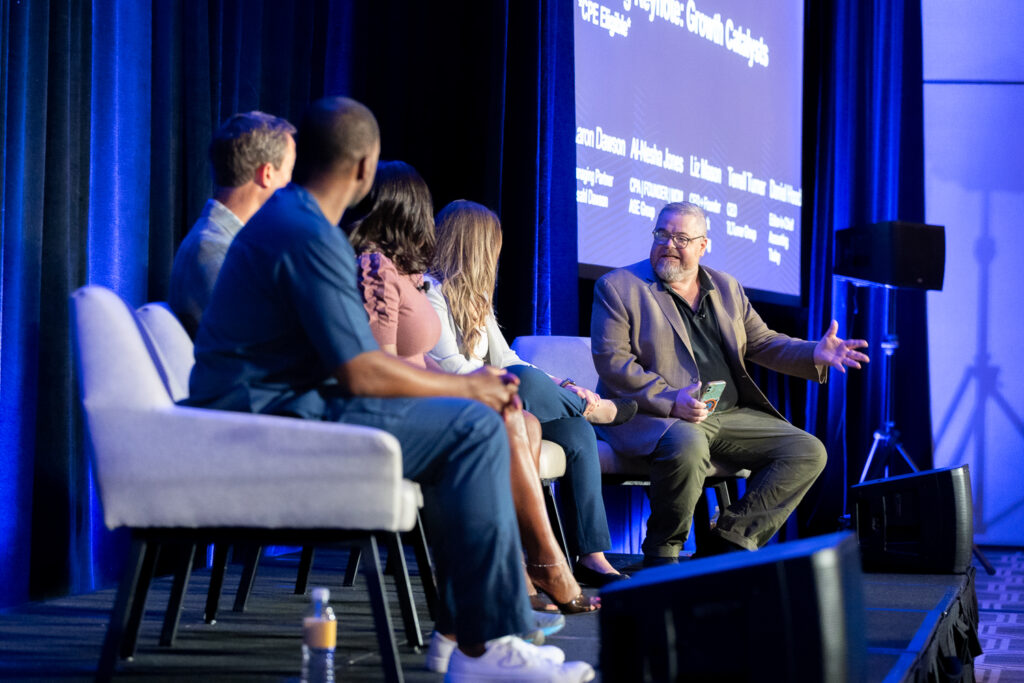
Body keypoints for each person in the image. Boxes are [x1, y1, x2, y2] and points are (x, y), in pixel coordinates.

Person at [185, 97, 594, 683]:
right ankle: (486, 646)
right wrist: (472, 387)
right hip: (270, 421)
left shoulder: (296, 224)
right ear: (364, 168)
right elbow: (361, 372)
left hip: (284, 407)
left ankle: (469, 638)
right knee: (477, 427)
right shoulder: (305, 234)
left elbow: (350, 364)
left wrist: (465, 388)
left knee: (475, 423)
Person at [590, 201, 869, 566]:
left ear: (703, 245)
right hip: (655, 414)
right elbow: (614, 363)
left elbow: (762, 342)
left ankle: (726, 543)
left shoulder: (727, 287)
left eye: (681, 238)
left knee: (807, 451)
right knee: (686, 441)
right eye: (662, 234)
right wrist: (672, 399)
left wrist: (812, 353)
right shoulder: (618, 287)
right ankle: (662, 553)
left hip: (726, 412)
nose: (669, 244)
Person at [425, 200, 634, 587]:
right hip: (458, 400)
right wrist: (503, 378)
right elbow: (450, 366)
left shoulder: (475, 300)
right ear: (474, 245)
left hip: (493, 395)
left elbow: (508, 356)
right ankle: (598, 410)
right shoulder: (431, 291)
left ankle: (591, 555)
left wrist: (563, 385)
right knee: (521, 379)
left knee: (577, 433)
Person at [169, 111, 296, 337]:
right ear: (267, 174)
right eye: (288, 174)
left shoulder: (227, 243)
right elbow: (258, 350)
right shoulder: (213, 250)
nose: (291, 186)